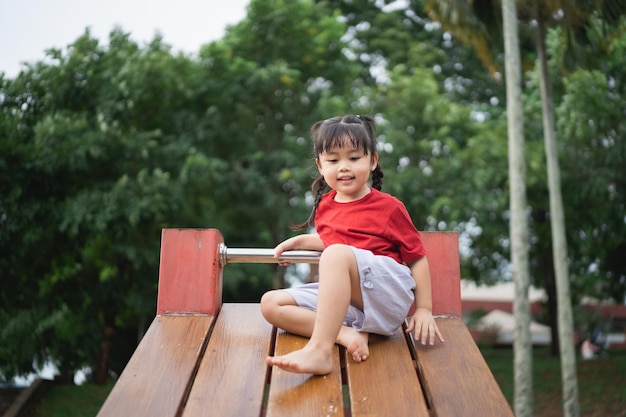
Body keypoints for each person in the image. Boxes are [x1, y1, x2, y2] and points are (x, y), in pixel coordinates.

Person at [261, 115, 444, 375]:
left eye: (354, 158)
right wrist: (301, 241)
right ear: (320, 166)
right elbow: (339, 242)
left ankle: (319, 351)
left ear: (373, 161)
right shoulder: (326, 205)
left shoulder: (388, 207)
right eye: (333, 160)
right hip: (351, 305)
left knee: (335, 255)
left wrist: (424, 308)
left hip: (386, 297)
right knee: (271, 303)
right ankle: (345, 334)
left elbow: (416, 257)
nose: (344, 167)